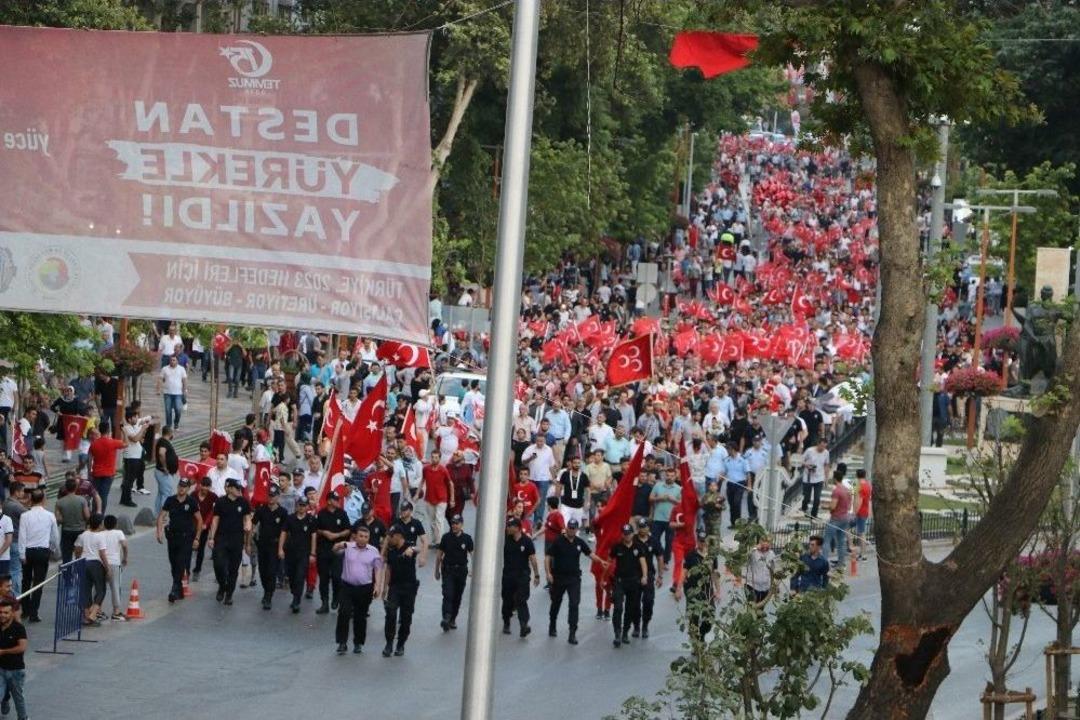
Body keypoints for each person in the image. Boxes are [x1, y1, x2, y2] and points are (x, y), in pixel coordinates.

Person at [545, 518, 601, 645]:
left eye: (574, 528)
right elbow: (548, 556)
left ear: (576, 529)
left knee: (574, 604)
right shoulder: (558, 541)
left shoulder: (579, 542)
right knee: (556, 603)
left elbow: (590, 554)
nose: (571, 530)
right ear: (567, 528)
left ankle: (572, 633)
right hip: (559, 577)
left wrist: (601, 561)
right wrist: (548, 573)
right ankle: (552, 623)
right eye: (569, 527)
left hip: (574, 578)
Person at [334, 523, 383, 655]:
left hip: (364, 588)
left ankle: (358, 643)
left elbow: (378, 568)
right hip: (347, 586)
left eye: (366, 537)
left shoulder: (373, 551)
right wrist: (339, 544)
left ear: (369, 538)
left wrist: (377, 585)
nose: (362, 539)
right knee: (344, 612)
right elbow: (335, 550)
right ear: (356, 537)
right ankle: (342, 642)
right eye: (360, 536)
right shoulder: (348, 547)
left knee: (360, 616)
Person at [157, 477, 203, 603]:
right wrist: (159, 531)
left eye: (184, 486)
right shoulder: (170, 500)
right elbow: (161, 516)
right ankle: (179, 589)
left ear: (188, 488)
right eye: (180, 486)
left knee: (180, 562)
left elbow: (199, 520)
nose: (181, 488)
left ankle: (174, 589)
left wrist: (197, 538)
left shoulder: (191, 502)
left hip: (186, 537)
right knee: (173, 563)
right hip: (172, 537)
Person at [208, 478, 252, 606]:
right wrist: (211, 537)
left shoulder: (243, 502)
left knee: (233, 569)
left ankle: (229, 594)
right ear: (230, 489)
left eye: (240, 489)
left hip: (236, 539)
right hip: (221, 538)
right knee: (219, 565)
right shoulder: (220, 502)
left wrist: (248, 525)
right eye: (237, 489)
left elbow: (247, 518)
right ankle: (222, 586)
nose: (239, 491)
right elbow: (215, 520)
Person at [17, 489, 57, 623]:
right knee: (38, 582)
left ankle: (25, 610)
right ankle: (34, 613)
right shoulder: (50, 515)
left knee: (26, 580)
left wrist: (22, 554)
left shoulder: (25, 516)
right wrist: (53, 549)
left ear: (31, 500)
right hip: (42, 551)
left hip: (28, 551)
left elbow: (22, 536)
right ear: (43, 500)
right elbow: (54, 536)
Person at [382, 526, 420, 657]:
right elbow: (388, 569)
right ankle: (389, 643)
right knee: (390, 613)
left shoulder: (409, 545)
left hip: (409, 587)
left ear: (398, 536)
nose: (389, 539)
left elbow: (417, 549)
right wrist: (384, 588)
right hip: (395, 587)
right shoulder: (391, 550)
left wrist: (412, 549)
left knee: (406, 618)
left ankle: (401, 644)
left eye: (391, 536)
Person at [677, 531, 720, 642]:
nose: (702, 544)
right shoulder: (691, 555)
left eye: (704, 541)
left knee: (709, 617)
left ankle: (701, 635)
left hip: (707, 590)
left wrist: (718, 590)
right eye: (700, 541)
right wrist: (679, 588)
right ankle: (696, 643)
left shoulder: (712, 556)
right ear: (697, 542)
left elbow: (714, 574)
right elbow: (684, 571)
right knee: (693, 618)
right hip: (692, 590)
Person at [610, 523, 647, 648]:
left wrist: (644, 576)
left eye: (629, 533)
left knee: (630, 609)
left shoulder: (638, 547)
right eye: (625, 534)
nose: (627, 536)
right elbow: (609, 562)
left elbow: (643, 563)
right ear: (622, 534)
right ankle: (617, 633)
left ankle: (625, 631)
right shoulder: (617, 547)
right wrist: (605, 578)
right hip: (619, 581)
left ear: (632, 533)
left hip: (633, 582)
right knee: (618, 607)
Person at [500, 516, 538, 638]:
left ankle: (523, 625)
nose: (507, 528)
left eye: (510, 526)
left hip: (522, 575)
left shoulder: (527, 541)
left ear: (517, 528)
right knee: (507, 601)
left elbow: (533, 558)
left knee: (521, 600)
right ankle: (506, 622)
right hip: (508, 575)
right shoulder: (505, 540)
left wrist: (536, 575)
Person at [434, 513, 473, 631]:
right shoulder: (446, 537)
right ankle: (446, 617)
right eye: (453, 524)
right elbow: (439, 555)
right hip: (448, 570)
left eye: (457, 523)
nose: (454, 526)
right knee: (448, 594)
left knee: (457, 596)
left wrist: (472, 569)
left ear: (462, 524)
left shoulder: (467, 539)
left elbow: (472, 555)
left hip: (461, 571)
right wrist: (436, 570)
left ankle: (452, 619)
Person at [314, 491, 350, 614]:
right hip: (323, 549)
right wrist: (324, 533)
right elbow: (316, 529)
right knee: (323, 577)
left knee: (337, 576)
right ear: (329, 501)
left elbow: (348, 530)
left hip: (338, 549)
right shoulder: (322, 514)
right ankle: (324, 603)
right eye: (335, 499)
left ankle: (336, 597)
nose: (338, 501)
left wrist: (337, 535)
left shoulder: (342, 513)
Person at [252, 485, 287, 609]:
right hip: (262, 544)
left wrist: (281, 548)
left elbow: (284, 531)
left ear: (278, 497)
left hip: (275, 544)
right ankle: (266, 589)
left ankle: (268, 595)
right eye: (270, 496)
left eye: (274, 496)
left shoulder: (283, 512)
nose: (271, 498)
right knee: (263, 570)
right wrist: (249, 540)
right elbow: (253, 524)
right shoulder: (261, 510)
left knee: (272, 570)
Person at [279, 496, 316, 614]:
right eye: (300, 505)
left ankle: (296, 601)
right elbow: (283, 533)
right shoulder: (290, 518)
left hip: (304, 553)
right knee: (291, 576)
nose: (302, 507)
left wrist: (313, 553)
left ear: (307, 507)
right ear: (297, 505)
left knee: (300, 576)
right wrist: (280, 549)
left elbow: (314, 536)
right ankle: (295, 592)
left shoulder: (311, 520)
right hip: (290, 552)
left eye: (304, 505)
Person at [633, 518, 665, 639]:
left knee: (648, 601)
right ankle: (636, 626)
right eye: (640, 527)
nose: (642, 529)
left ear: (648, 528)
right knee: (634, 603)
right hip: (634, 575)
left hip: (649, 575)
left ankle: (645, 625)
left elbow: (660, 557)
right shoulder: (633, 539)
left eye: (644, 527)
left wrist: (660, 576)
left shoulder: (653, 541)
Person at [74, 513, 108, 625]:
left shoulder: (83, 535)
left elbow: (77, 549)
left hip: (83, 563)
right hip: (96, 564)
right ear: (99, 525)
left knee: (86, 589)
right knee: (101, 589)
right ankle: (93, 614)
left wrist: (78, 559)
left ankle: (86, 615)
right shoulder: (100, 536)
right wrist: (107, 568)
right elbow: (102, 553)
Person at [0, 600, 28, 720]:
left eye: (6, 613)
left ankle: (23, 718)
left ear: (12, 613)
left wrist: (3, 652)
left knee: (18, 698)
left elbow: (22, 647)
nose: (2, 615)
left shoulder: (19, 628)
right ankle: (4, 700)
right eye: (0, 612)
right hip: (0, 669)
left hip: (16, 670)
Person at [87, 427, 125, 512]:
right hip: (109, 474)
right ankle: (100, 515)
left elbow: (89, 460)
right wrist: (124, 432)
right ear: (108, 431)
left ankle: (94, 514)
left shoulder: (93, 444)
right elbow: (126, 443)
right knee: (104, 496)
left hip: (96, 473)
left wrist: (89, 472)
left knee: (95, 494)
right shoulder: (113, 442)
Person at [649, 466, 681, 564]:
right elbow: (650, 498)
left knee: (669, 542)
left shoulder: (679, 489)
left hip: (671, 520)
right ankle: (657, 557)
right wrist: (659, 498)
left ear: (675, 477)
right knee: (654, 540)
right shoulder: (658, 485)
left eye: (672, 476)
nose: (669, 477)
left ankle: (666, 561)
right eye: (667, 475)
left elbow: (682, 504)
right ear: (665, 476)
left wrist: (673, 500)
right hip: (657, 518)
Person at [420, 450, 453, 544]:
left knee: (439, 519)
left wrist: (452, 499)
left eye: (436, 457)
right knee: (432, 521)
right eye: (432, 457)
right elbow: (422, 480)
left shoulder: (443, 470)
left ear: (439, 458)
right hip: (429, 498)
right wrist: (418, 493)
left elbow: (450, 483)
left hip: (441, 498)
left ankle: (440, 541)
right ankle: (435, 539)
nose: (434, 459)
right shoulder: (426, 469)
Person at [120, 411, 152, 507]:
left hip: (136, 457)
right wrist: (142, 429)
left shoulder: (135, 426)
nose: (136, 418)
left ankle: (124, 498)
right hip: (131, 457)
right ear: (129, 419)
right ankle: (126, 499)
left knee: (130, 479)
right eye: (134, 417)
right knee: (129, 480)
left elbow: (141, 434)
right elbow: (135, 439)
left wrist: (144, 428)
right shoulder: (127, 428)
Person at [823, 470, 852, 571]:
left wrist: (825, 506)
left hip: (836, 518)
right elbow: (849, 505)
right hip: (845, 517)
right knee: (841, 541)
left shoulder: (836, 491)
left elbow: (833, 506)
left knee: (826, 540)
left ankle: (824, 564)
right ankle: (841, 563)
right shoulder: (846, 490)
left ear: (835, 478)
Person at [55, 477, 89, 564]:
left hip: (67, 530)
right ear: (76, 487)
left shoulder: (59, 502)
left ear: (66, 488)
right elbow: (87, 516)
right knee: (80, 554)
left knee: (66, 555)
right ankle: (79, 574)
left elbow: (58, 519)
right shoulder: (82, 500)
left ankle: (67, 575)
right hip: (81, 530)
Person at [190, 477, 217, 582]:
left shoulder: (213, 497)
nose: (204, 488)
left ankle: (197, 570)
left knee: (201, 549)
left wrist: (206, 524)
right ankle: (186, 570)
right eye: (203, 485)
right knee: (190, 548)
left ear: (210, 487)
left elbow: (213, 512)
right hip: (193, 526)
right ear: (200, 485)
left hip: (205, 527)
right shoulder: (193, 495)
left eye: (207, 486)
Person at [556, 455, 589, 528]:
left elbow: (587, 490)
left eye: (578, 463)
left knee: (576, 527)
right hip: (566, 505)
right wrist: (557, 501)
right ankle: (564, 538)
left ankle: (574, 538)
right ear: (571, 463)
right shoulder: (565, 474)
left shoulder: (584, 476)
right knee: (564, 525)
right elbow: (559, 487)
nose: (577, 465)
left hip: (578, 506)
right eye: (575, 463)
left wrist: (587, 502)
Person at [153, 425, 180, 516]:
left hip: (161, 472)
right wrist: (165, 467)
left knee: (161, 493)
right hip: (163, 472)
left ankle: (157, 514)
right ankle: (163, 516)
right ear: (170, 433)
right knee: (166, 494)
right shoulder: (164, 442)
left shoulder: (163, 441)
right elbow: (161, 453)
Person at [2, 486, 24, 596]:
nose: (23, 494)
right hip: (15, 541)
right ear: (16, 492)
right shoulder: (17, 506)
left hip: (6, 543)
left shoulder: (5, 504)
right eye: (22, 491)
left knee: (7, 572)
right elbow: (27, 516)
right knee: (16, 571)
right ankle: (15, 597)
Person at [801, 438, 830, 518]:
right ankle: (804, 508)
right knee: (807, 497)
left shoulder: (826, 453)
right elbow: (801, 460)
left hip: (819, 478)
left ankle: (814, 515)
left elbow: (827, 465)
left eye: (824, 447)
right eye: (821, 446)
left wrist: (826, 478)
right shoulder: (809, 451)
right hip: (808, 477)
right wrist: (807, 465)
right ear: (818, 444)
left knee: (817, 498)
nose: (822, 448)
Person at [157, 353, 187, 430]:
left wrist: (184, 390)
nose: (172, 361)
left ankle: (176, 423)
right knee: (168, 410)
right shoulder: (165, 369)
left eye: (174, 360)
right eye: (171, 360)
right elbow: (160, 379)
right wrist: (158, 389)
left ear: (177, 361)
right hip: (167, 392)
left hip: (178, 393)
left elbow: (184, 380)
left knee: (178, 409)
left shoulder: (181, 369)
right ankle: (168, 425)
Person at [745, 536, 776, 603]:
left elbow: (773, 570)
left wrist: (773, 584)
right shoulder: (753, 552)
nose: (765, 544)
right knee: (752, 608)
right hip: (752, 585)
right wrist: (755, 548)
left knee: (760, 610)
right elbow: (745, 557)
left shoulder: (772, 554)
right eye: (763, 541)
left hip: (765, 587)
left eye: (768, 542)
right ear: (759, 542)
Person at [854, 469, 872, 559]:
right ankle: (861, 553)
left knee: (861, 533)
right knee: (861, 533)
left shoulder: (859, 486)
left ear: (857, 475)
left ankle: (863, 554)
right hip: (865, 510)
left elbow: (858, 500)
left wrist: (854, 512)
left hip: (860, 511)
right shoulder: (868, 485)